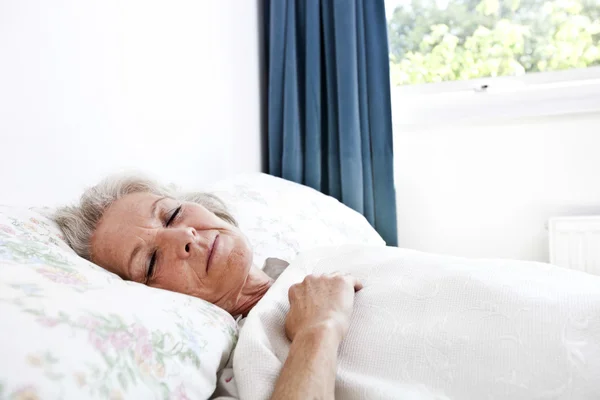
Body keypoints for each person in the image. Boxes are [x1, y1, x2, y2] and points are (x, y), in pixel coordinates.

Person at [54, 173, 360, 400]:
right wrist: (319, 329)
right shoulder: (235, 372)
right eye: (150, 262)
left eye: (172, 214)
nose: (184, 236)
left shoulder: (320, 258)